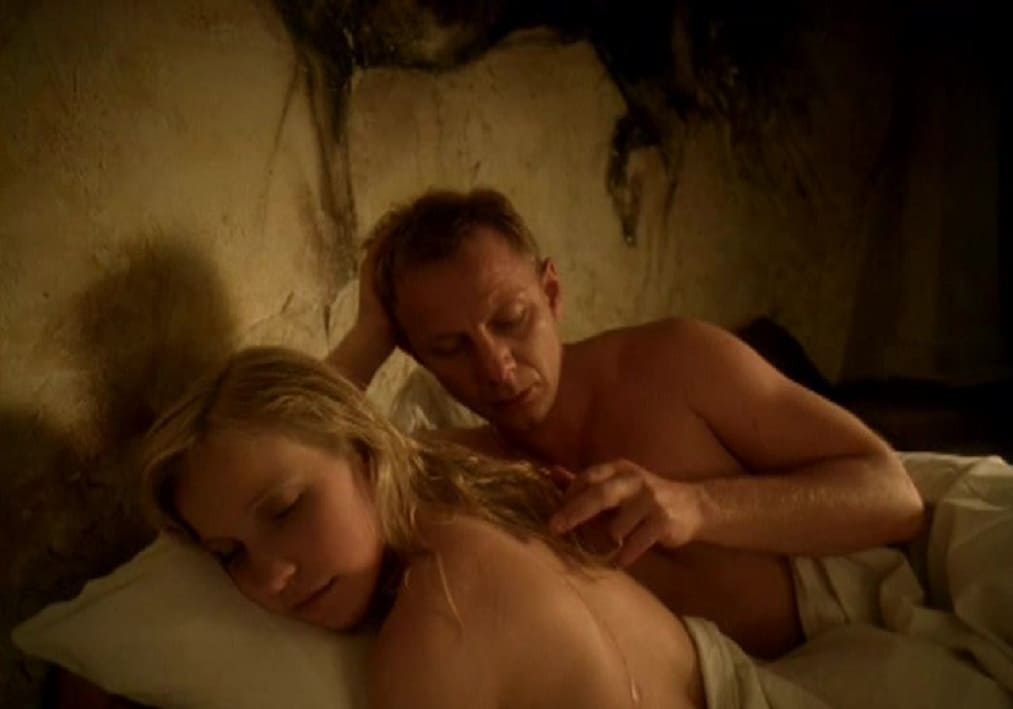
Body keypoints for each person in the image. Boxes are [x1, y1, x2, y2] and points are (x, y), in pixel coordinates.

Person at [327, 188, 926, 658]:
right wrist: (369, 337)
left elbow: (893, 498)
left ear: (552, 292)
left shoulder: (675, 362)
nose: (497, 368)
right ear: (417, 355)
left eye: (511, 319)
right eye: (450, 348)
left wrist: (697, 506)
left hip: (858, 637)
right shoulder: (463, 468)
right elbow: (288, 456)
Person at [139, 346, 706, 709]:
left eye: (286, 509)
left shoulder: (437, 628)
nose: (270, 577)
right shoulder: (465, 484)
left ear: (364, 454)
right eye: (229, 553)